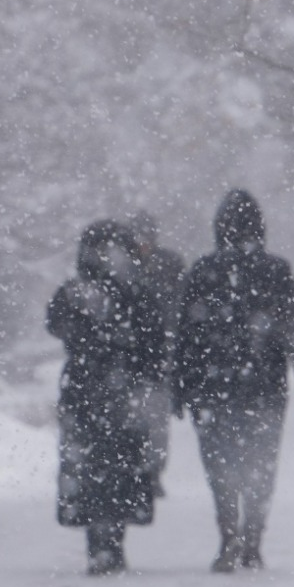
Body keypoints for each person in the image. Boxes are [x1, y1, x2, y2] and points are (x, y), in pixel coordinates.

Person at [174, 189, 294, 573]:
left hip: (213, 388)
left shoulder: (202, 271)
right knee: (261, 464)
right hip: (264, 387)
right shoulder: (276, 270)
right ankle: (253, 539)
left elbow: (186, 336)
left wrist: (180, 386)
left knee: (220, 466)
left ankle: (228, 536)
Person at [47, 220, 167, 575]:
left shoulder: (76, 291)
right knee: (121, 466)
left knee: (90, 466)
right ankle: (112, 539)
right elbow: (154, 342)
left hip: (85, 389)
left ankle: (98, 541)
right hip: (123, 393)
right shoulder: (137, 292)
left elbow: (55, 324)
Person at [124, 211, 187, 498]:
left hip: (159, 357)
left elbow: (181, 306)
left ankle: (152, 471)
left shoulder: (170, 265)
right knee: (134, 419)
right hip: (133, 360)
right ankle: (137, 469)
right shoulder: (123, 269)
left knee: (157, 421)